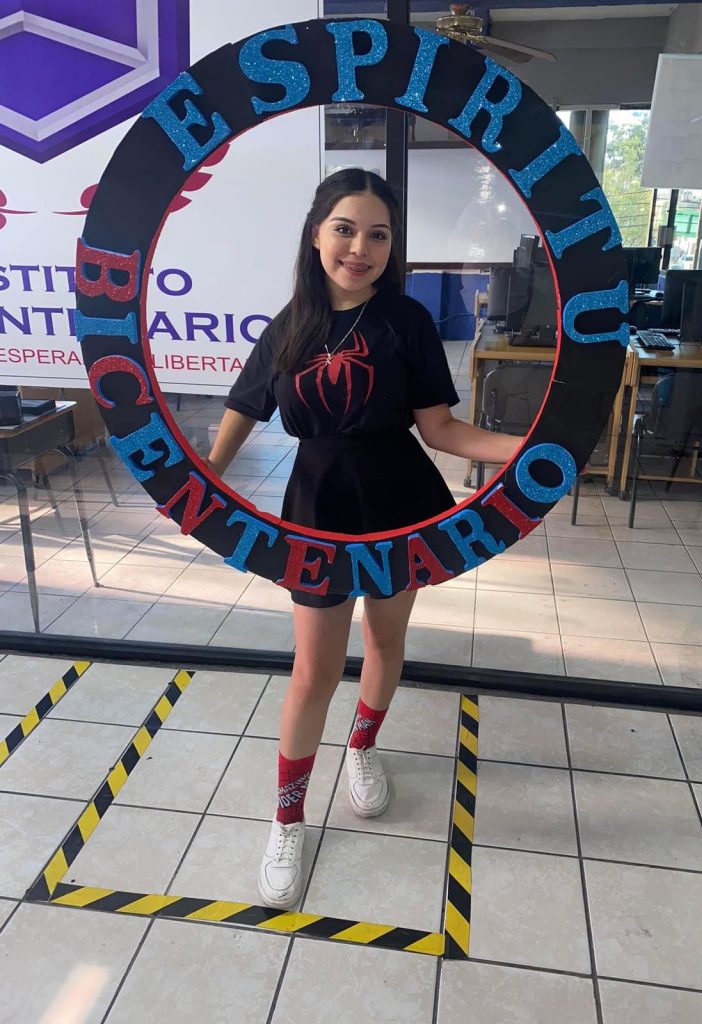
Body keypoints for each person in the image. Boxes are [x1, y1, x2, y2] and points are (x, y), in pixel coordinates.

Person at [207, 168, 521, 909]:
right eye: (345, 229)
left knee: (384, 642)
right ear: (316, 234)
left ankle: (362, 747)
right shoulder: (288, 325)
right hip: (316, 506)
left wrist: (529, 449)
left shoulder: (405, 320)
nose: (360, 248)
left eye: (378, 235)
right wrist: (199, 483)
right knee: (313, 671)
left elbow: (440, 428)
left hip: (399, 500)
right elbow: (242, 409)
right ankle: (288, 820)